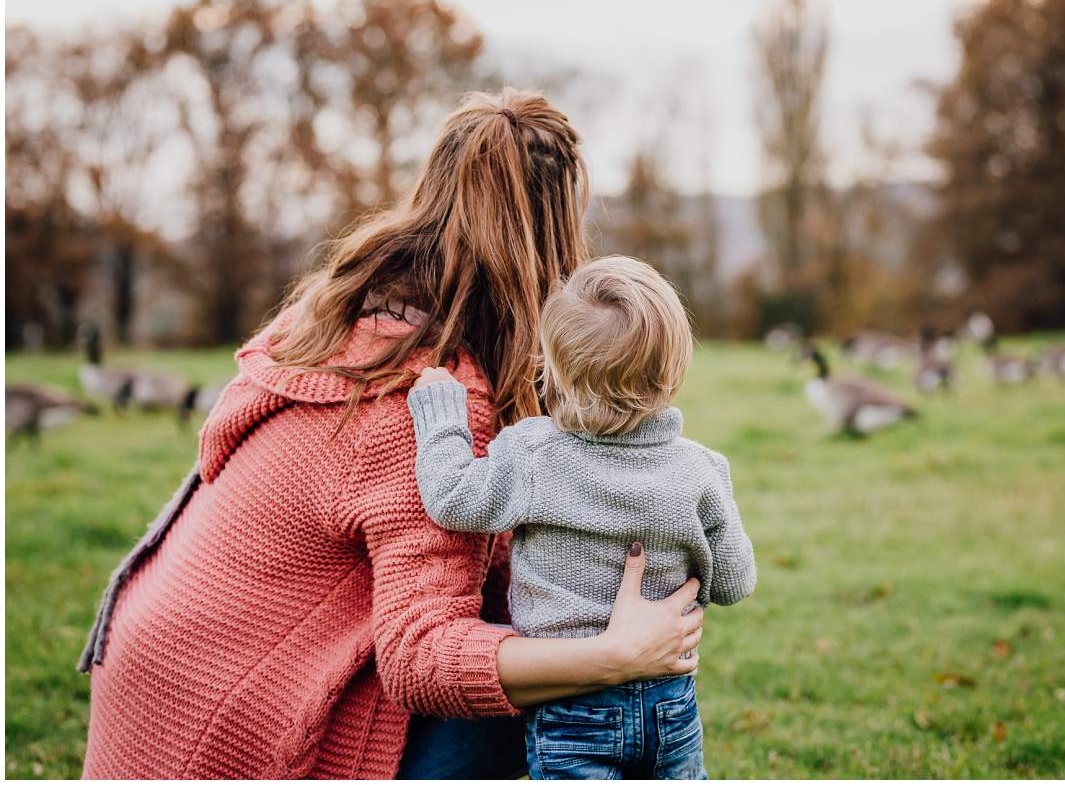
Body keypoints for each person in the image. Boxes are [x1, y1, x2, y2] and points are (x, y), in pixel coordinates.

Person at [77, 90, 704, 779]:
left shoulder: (341, 318)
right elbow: (421, 656)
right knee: (563, 678)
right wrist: (616, 653)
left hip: (156, 689)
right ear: (554, 240)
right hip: (232, 736)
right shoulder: (423, 400)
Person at [407, 255, 757, 779]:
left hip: (571, 706)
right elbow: (736, 582)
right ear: (674, 370)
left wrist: (442, 416)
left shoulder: (532, 454)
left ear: (556, 368)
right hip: (670, 700)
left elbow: (454, 498)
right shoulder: (701, 470)